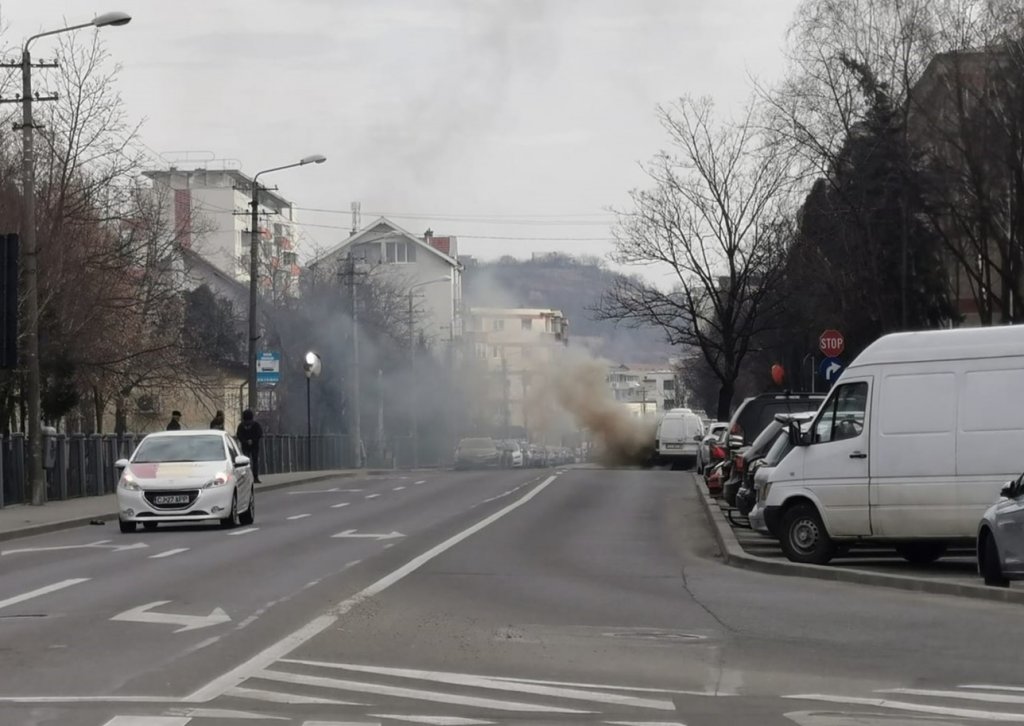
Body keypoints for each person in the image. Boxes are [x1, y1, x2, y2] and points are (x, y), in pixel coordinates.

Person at [236, 409, 263, 483]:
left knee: (245, 463)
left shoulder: (241, 426)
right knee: (255, 461)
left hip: (245, 446)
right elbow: (260, 434)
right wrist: (253, 440)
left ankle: (246, 477)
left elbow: (239, 435)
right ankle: (255, 477)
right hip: (255, 445)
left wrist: (245, 441)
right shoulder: (256, 425)